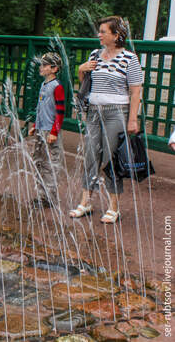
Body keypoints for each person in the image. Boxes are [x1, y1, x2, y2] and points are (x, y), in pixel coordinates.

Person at [69, 16, 143, 223]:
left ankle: (113, 207)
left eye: (103, 31)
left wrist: (133, 120)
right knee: (90, 155)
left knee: (110, 159)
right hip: (94, 111)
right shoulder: (95, 54)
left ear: (116, 35)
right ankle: (85, 202)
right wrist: (81, 70)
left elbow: (136, 92)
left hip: (116, 112)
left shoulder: (129, 58)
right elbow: (87, 83)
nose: (99, 35)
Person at [28, 53, 65, 208]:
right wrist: (35, 126)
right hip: (40, 130)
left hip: (50, 131)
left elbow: (60, 112)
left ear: (54, 69)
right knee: (39, 162)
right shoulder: (44, 85)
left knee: (51, 164)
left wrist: (54, 132)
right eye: (41, 64)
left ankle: (50, 197)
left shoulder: (57, 87)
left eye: (45, 65)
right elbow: (41, 109)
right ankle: (42, 195)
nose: (41, 67)